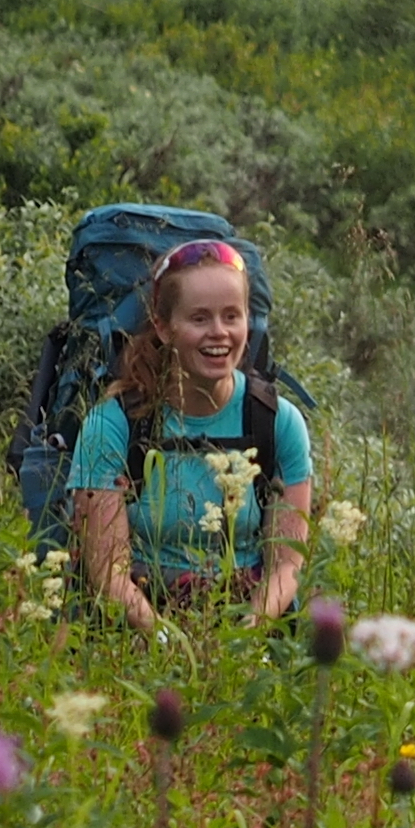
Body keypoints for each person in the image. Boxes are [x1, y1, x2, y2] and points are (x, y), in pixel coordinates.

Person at [68, 237, 315, 629]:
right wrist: (169, 645)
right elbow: (107, 573)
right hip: (135, 627)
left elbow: (286, 567)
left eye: (231, 316)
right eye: (199, 318)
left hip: (246, 622)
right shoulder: (111, 426)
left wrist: (243, 637)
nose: (219, 333)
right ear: (164, 328)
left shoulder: (277, 422)